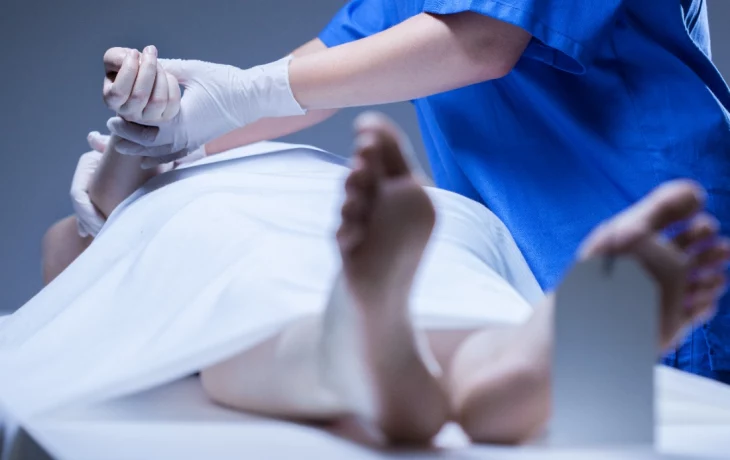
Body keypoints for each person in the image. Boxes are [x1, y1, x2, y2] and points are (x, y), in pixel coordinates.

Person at [100, 0, 730, 383]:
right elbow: (319, 76)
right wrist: (163, 134)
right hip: (532, 269)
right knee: (521, 401)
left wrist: (246, 93)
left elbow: (482, 39)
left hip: (649, 221)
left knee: (623, 419)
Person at [32, 108, 727, 445]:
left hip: (241, 225)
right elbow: (71, 251)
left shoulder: (194, 188)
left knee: (259, 301)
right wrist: (118, 166)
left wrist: (120, 179)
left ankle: (356, 352)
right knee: (452, 292)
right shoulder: (343, 174)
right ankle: (508, 358)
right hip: (428, 222)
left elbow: (76, 290)